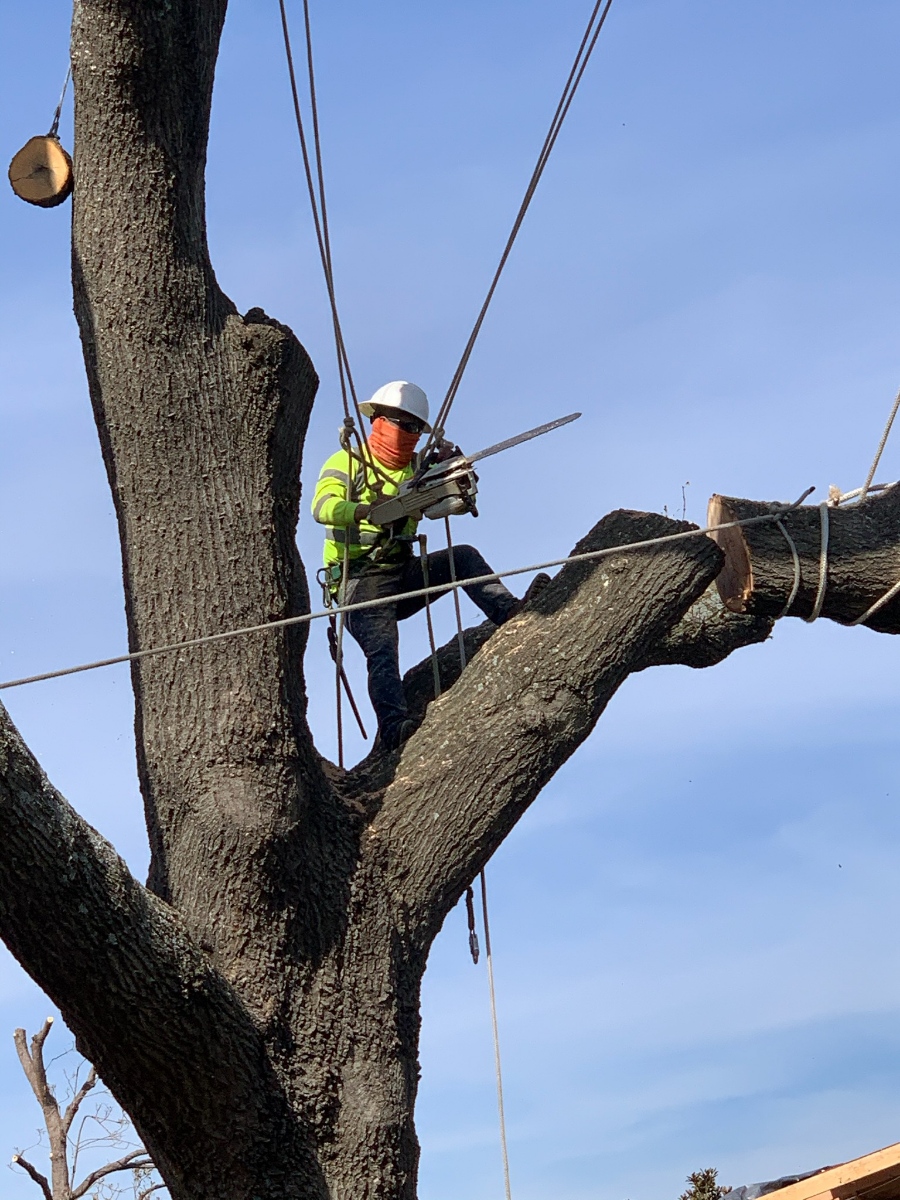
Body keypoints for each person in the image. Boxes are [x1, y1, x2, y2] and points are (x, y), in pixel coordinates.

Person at [312, 380, 519, 750]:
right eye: (400, 424)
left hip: (401, 574)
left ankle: (513, 614)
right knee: (382, 648)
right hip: (359, 582)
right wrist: (364, 511)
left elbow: (438, 502)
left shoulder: (416, 471)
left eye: (413, 428)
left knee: (463, 558)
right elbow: (322, 507)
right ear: (376, 420)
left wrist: (451, 478)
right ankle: (394, 726)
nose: (406, 434)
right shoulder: (347, 461)